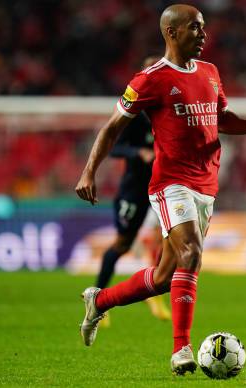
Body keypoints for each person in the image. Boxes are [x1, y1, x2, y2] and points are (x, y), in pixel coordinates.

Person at [75, 4, 246, 375]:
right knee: (192, 254)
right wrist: (89, 172)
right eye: (195, 28)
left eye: (203, 28)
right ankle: (181, 350)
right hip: (171, 183)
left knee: (167, 276)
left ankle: (99, 300)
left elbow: (220, 119)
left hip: (206, 183)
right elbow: (111, 128)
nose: (204, 35)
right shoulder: (150, 79)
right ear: (172, 32)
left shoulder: (210, 72)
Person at [94, 57, 170, 323]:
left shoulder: (171, 108)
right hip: (135, 189)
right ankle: (98, 297)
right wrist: (139, 152)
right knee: (123, 243)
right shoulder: (135, 113)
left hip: (165, 186)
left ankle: (155, 296)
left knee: (166, 240)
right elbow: (113, 146)